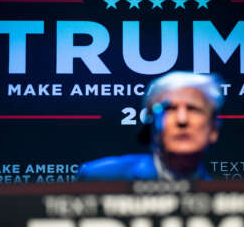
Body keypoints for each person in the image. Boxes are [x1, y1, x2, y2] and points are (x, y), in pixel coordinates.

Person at [77, 71, 224, 180]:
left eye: (193, 109)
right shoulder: (100, 178)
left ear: (214, 130)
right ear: (150, 124)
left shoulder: (226, 197)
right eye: (169, 109)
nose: (182, 120)